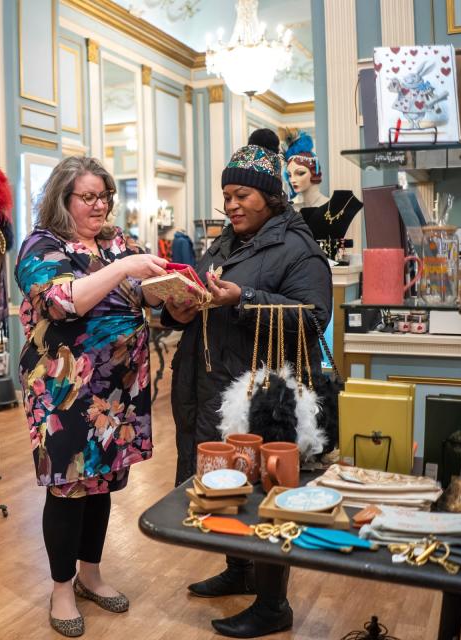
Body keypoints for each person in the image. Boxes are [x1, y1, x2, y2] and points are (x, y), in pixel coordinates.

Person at [164, 129, 333, 638]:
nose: (231, 206)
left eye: (241, 196)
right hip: (208, 384)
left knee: (266, 492)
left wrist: (244, 296)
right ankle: (238, 570)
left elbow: (313, 317)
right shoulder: (225, 241)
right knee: (224, 483)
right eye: (227, 198)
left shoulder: (298, 248)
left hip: (262, 397)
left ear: (270, 197)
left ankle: (273, 602)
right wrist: (178, 308)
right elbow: (200, 296)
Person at [14, 156, 168, 637]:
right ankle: (62, 589)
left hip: (118, 389)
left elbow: (145, 294)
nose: (100, 205)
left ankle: (91, 573)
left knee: (101, 483)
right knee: (68, 486)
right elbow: (62, 302)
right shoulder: (42, 246)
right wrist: (123, 266)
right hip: (64, 391)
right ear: (64, 199)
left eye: (105, 196)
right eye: (89, 197)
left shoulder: (117, 241)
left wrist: (167, 288)